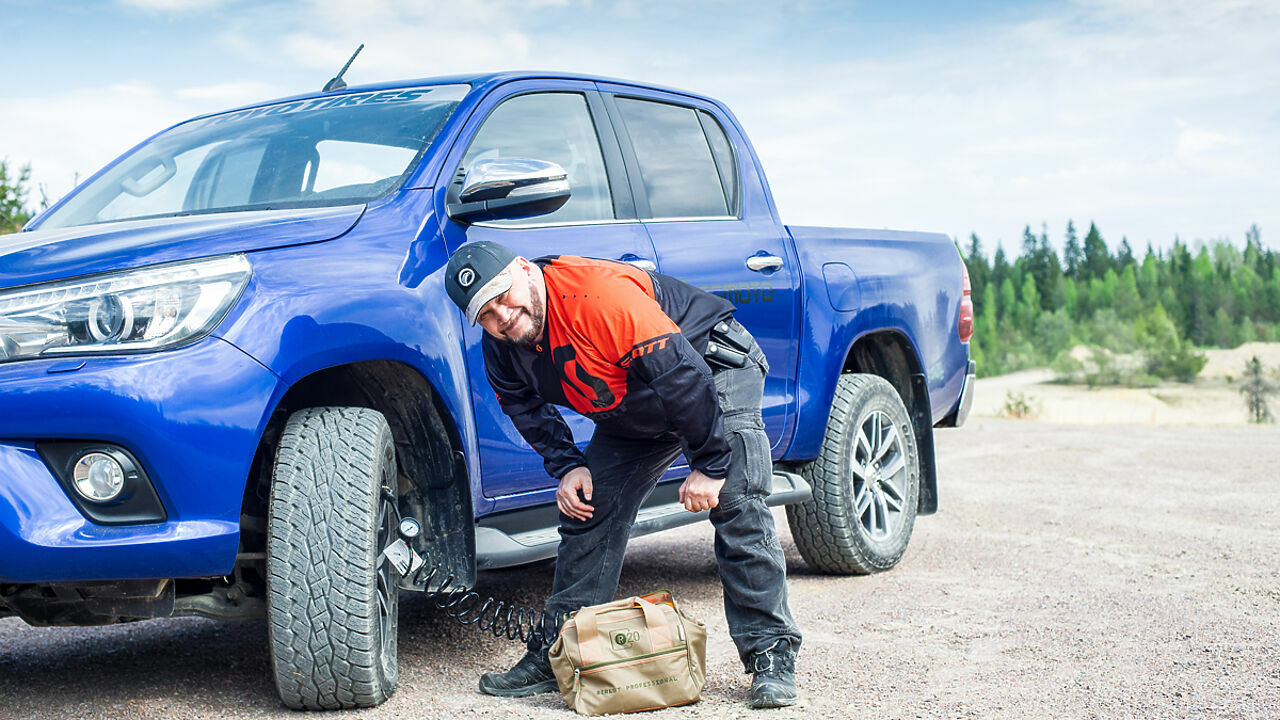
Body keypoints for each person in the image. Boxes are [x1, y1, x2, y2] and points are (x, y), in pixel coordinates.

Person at [445, 240, 801, 709]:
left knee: (736, 501)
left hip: (711, 371)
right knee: (587, 509)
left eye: (502, 295)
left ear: (524, 269)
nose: (501, 317)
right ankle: (561, 656)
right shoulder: (503, 346)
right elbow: (523, 407)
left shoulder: (596, 296)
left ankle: (771, 654)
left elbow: (682, 376)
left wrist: (712, 465)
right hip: (635, 405)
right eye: (484, 314)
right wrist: (568, 466)